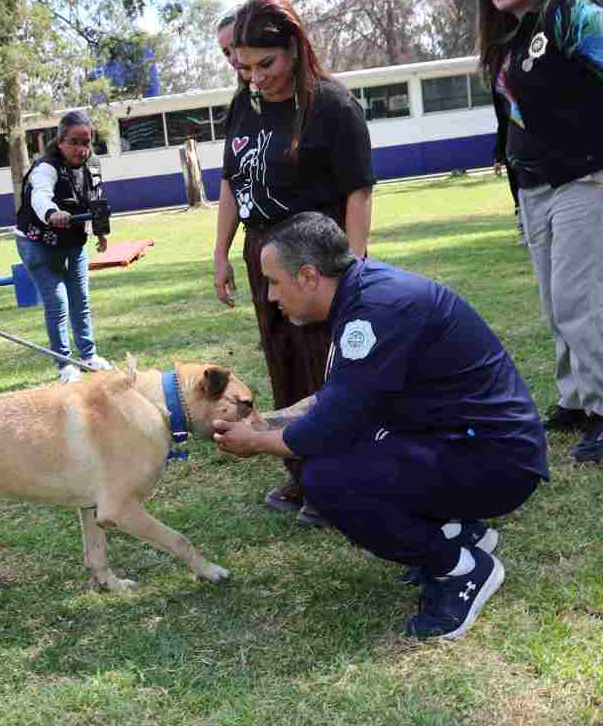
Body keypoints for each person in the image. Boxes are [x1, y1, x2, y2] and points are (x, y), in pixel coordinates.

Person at [213, 212, 549, 640]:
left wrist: (256, 442)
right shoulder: (364, 294)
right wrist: (267, 424)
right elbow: (338, 401)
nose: (270, 296)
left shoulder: (374, 312)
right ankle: (458, 532)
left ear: (308, 276)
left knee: (326, 477)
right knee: (352, 449)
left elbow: (325, 430)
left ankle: (460, 569)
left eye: (274, 282)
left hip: (499, 463)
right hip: (475, 443)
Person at [479, 0, 603, 463]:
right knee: (558, 301)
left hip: (587, 175)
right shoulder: (511, 40)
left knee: (585, 298)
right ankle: (577, 399)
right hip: (536, 184)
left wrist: (597, 141)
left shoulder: (571, 14)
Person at [213, 0, 375, 527]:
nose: (256, 77)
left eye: (267, 63)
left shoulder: (332, 105)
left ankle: (340, 478)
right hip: (264, 251)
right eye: (244, 66)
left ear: (295, 48)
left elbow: (358, 192)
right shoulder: (245, 104)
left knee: (325, 364)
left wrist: (353, 268)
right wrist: (221, 253)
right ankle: (302, 469)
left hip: (315, 254)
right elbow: (231, 183)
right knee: (283, 359)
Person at [14, 110, 114, 384]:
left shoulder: (92, 166)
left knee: (80, 300)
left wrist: (100, 231)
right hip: (37, 243)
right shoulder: (46, 168)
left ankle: (89, 357)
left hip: (73, 243)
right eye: (74, 142)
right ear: (60, 142)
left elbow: (96, 200)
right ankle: (66, 366)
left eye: (86, 142)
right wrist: (51, 213)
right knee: (57, 303)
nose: (82, 149)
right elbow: (40, 196)